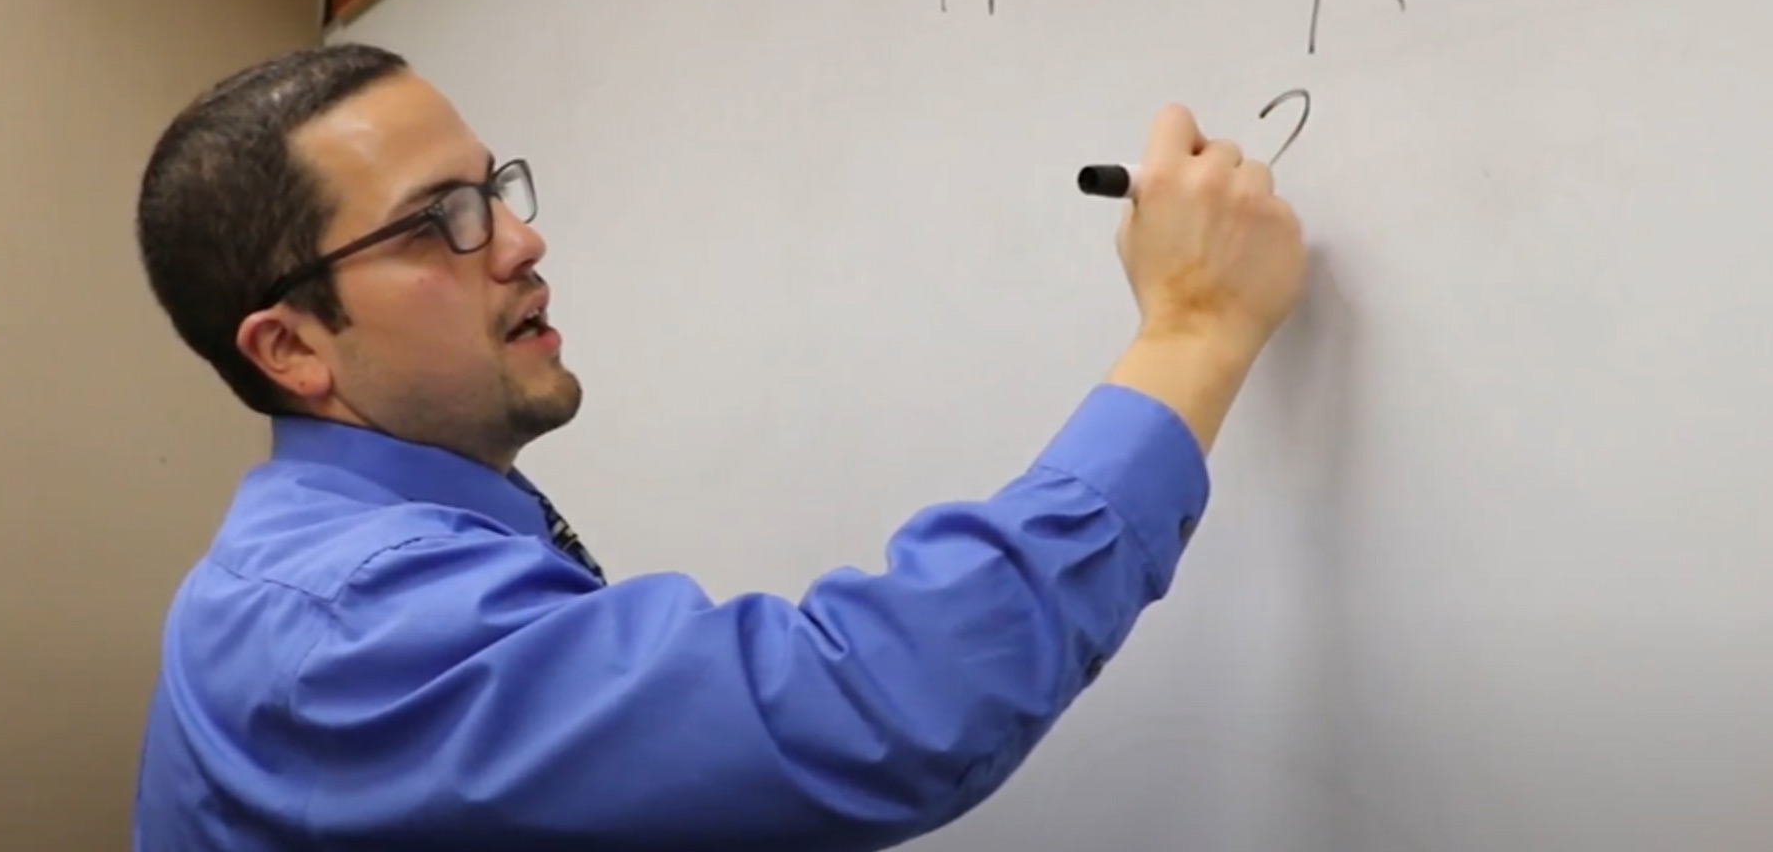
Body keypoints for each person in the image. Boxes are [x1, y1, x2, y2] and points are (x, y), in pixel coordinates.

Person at [129, 42, 1307, 852]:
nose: (522, 239)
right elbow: (869, 708)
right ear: (291, 350)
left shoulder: (328, 557)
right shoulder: (351, 621)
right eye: (442, 220)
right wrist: (1192, 331)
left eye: (496, 189)